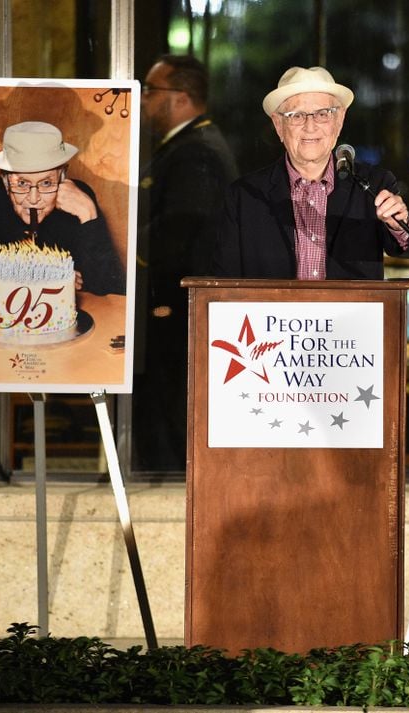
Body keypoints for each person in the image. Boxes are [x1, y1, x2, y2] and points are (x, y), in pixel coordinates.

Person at [213, 66, 409, 280]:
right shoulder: (243, 196)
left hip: (350, 318)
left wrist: (398, 224)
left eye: (322, 114)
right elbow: (224, 283)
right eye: (296, 116)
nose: (310, 127)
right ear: (278, 124)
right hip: (271, 319)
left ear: (339, 121)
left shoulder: (372, 184)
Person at [133, 54, 238, 471]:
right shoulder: (184, 145)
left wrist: (123, 257)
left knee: (167, 418)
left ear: (179, 97)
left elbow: (179, 229)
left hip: (175, 312)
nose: (142, 100)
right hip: (172, 309)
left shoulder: (196, 151)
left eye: (150, 91)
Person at [0, 120, 125, 296]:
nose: (34, 199)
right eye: (21, 183)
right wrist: (34, 279)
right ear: (5, 181)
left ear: (62, 176)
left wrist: (89, 216)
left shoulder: (80, 198)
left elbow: (112, 287)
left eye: (46, 183)